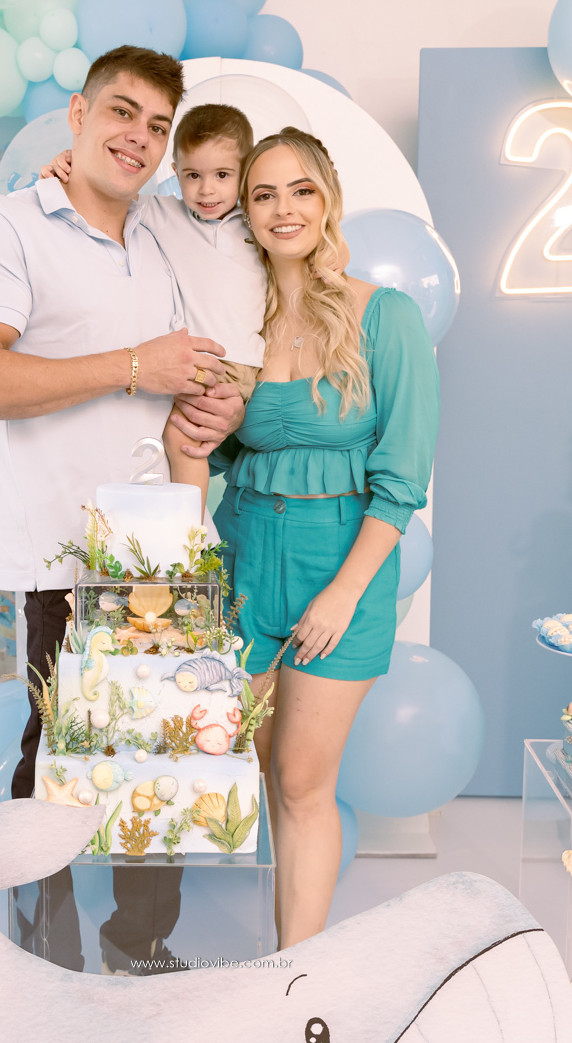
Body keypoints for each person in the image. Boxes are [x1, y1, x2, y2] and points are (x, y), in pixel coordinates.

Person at [0, 44, 245, 974]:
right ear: (77, 114)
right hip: (65, 555)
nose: (139, 137)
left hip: (164, 546)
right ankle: (41, 968)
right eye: (121, 112)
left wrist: (221, 404)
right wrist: (133, 367)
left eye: (157, 125)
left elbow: (211, 348)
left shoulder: (163, 230)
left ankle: (137, 946)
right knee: (58, 766)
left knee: (164, 761)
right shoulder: (3, 226)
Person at [212, 127, 440, 950]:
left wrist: (343, 593)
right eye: (264, 194)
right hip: (244, 561)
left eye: (301, 190)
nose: (284, 209)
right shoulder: (236, 322)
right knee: (261, 774)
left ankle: (296, 982)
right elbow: (221, 451)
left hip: (339, 567)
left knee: (305, 784)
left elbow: (402, 477)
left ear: (328, 199)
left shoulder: (386, 317)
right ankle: (285, 958)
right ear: (245, 211)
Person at [42, 105, 349, 512]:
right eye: (193, 176)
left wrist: (338, 252)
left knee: (181, 440)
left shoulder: (255, 222)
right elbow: (103, 194)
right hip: (190, 357)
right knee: (143, 429)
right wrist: (69, 164)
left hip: (236, 362)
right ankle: (152, 523)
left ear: (244, 173)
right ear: (175, 171)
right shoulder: (163, 213)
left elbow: (315, 244)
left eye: (222, 175)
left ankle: (188, 531)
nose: (206, 191)